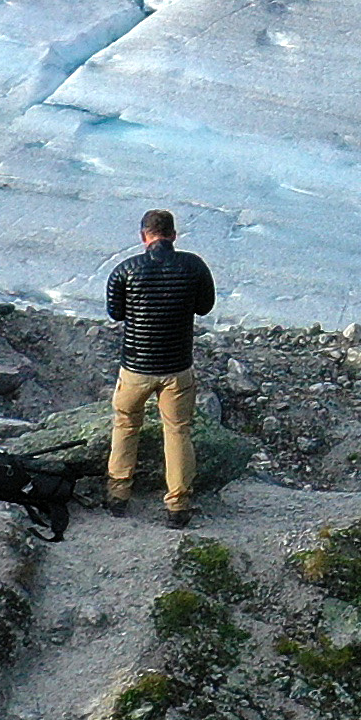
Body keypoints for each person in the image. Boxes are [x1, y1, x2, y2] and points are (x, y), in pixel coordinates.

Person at [103, 209, 217, 528]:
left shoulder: (125, 270)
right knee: (178, 431)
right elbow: (205, 307)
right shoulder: (193, 266)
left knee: (125, 425)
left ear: (143, 236)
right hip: (177, 367)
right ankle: (178, 505)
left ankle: (118, 494)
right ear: (174, 235)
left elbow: (115, 313)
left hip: (136, 367)